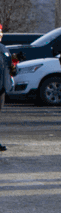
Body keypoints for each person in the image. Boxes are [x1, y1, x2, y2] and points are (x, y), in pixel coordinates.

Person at [0, 23, 13, 152]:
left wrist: (14, 64)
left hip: (2, 88)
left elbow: (9, 66)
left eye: (1, 33)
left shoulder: (4, 48)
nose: (0, 35)